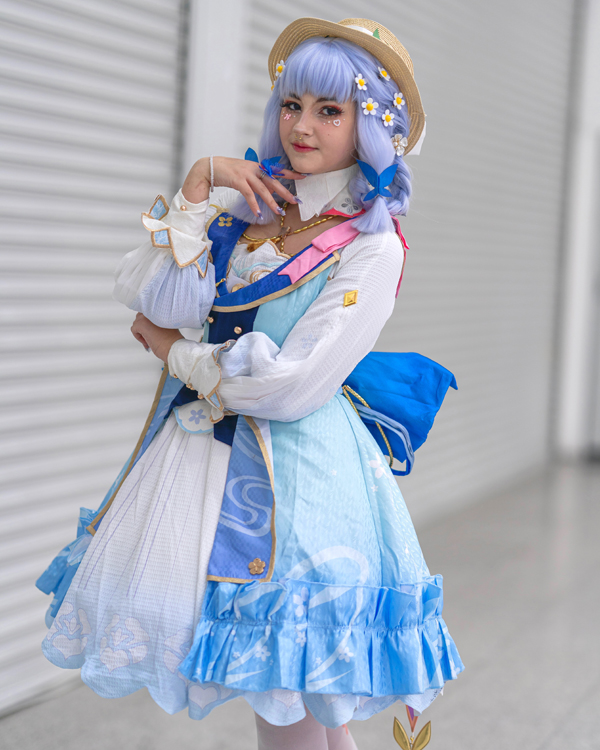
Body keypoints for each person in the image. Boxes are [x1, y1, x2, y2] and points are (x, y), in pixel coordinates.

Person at [37, 17, 463, 750]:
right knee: (290, 698)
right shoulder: (254, 206)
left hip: (300, 480)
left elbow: (291, 386)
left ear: (370, 126)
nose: (302, 126)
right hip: (206, 460)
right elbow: (157, 298)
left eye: (330, 110)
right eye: (292, 104)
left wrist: (177, 355)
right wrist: (198, 189)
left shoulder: (373, 244)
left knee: (291, 692)